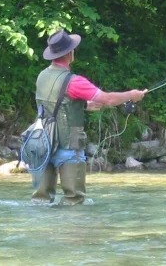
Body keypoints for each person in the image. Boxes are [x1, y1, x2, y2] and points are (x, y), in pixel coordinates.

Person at [32, 29, 147, 204]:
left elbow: (53, 104)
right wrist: (131, 95)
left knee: (40, 201)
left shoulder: (42, 76)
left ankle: (44, 231)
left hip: (43, 144)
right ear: (70, 53)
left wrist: (84, 106)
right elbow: (107, 99)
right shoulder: (74, 81)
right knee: (74, 201)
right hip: (69, 144)